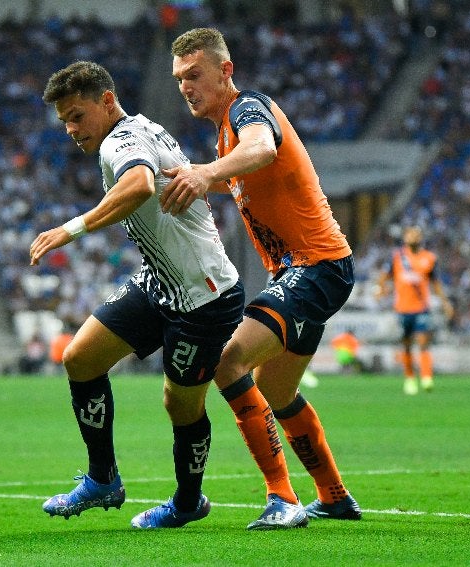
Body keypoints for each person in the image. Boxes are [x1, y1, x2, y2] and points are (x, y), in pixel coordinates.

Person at [31, 60, 307, 529]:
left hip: (205, 298)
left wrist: (71, 228)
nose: (71, 129)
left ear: (106, 101)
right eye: (64, 122)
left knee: (180, 404)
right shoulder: (142, 128)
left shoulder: (123, 141)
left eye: (77, 116)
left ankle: (187, 502)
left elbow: (138, 184)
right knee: (80, 359)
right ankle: (103, 480)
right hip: (160, 282)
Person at [162, 27, 361, 521]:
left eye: (195, 74)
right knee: (276, 392)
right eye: (179, 79)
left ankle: (282, 498)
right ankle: (334, 496)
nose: (186, 86)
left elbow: (264, 148)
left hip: (317, 265)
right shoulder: (224, 130)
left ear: (225, 71)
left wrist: (206, 172)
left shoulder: (247, 109)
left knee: (229, 363)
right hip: (305, 271)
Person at [376, 226, 453, 394]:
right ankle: (410, 378)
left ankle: (426, 377)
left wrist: (445, 303)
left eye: (416, 234)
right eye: (410, 234)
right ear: (405, 237)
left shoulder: (430, 258)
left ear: (421, 237)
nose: (413, 236)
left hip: (422, 308)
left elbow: (436, 283)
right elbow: (384, 277)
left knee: (423, 341)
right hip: (402, 308)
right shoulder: (397, 257)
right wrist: (381, 290)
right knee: (407, 345)